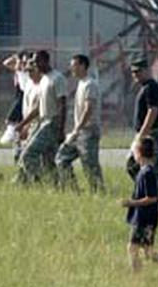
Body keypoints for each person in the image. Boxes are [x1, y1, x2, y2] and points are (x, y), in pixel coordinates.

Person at [122, 136, 158, 272]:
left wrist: (131, 203)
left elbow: (151, 198)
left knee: (132, 248)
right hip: (146, 218)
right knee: (148, 252)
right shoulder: (148, 172)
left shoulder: (147, 173)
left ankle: (136, 276)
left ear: (139, 153)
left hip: (144, 219)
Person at [55, 54, 104, 192]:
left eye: (74, 65)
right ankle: (73, 189)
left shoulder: (90, 84)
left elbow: (89, 108)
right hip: (79, 131)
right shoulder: (81, 83)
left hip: (88, 131)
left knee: (90, 164)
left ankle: (98, 192)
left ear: (82, 66)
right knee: (61, 158)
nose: (72, 68)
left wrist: (77, 129)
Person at [16, 50, 65, 184]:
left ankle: (37, 183)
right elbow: (38, 107)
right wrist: (22, 124)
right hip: (43, 122)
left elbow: (62, 105)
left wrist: (61, 129)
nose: (35, 65)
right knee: (48, 160)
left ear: (45, 61)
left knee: (28, 154)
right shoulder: (43, 80)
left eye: (37, 61)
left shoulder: (57, 78)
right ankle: (58, 187)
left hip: (52, 122)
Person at [127, 57, 158, 184]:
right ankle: (144, 191)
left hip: (152, 133)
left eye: (138, 71)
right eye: (133, 72)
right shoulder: (145, 87)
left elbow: (153, 111)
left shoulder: (151, 87)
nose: (135, 75)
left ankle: (156, 195)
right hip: (145, 133)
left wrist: (142, 135)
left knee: (151, 168)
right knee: (133, 166)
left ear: (147, 70)